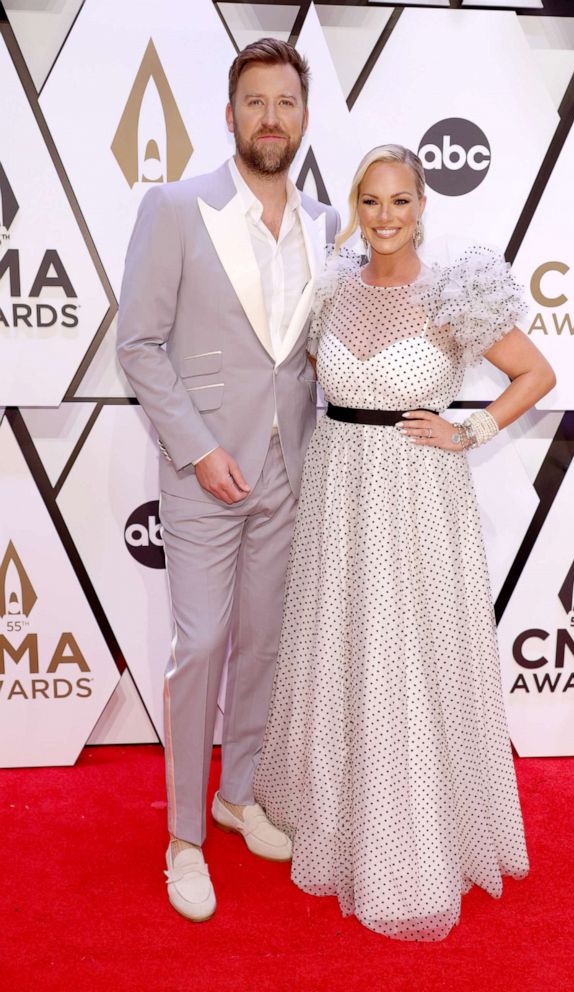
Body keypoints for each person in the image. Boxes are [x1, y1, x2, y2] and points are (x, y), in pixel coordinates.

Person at [254, 144, 556, 941]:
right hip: (337, 494)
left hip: (418, 496)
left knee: (406, 659)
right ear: (355, 207)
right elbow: (321, 377)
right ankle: (333, 816)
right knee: (341, 651)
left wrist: (471, 429)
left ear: (421, 206)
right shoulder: (331, 288)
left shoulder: (457, 291)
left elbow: (535, 374)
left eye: (399, 201)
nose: (384, 217)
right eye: (370, 202)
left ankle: (411, 843)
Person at [117, 39, 340, 922]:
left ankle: (236, 791)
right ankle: (183, 838)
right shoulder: (176, 207)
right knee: (201, 645)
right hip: (204, 472)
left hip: (291, 465)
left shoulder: (327, 224)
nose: (270, 119)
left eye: (284, 103)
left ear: (304, 116)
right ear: (230, 114)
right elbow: (137, 343)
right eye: (255, 103)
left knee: (264, 644)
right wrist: (198, 450)